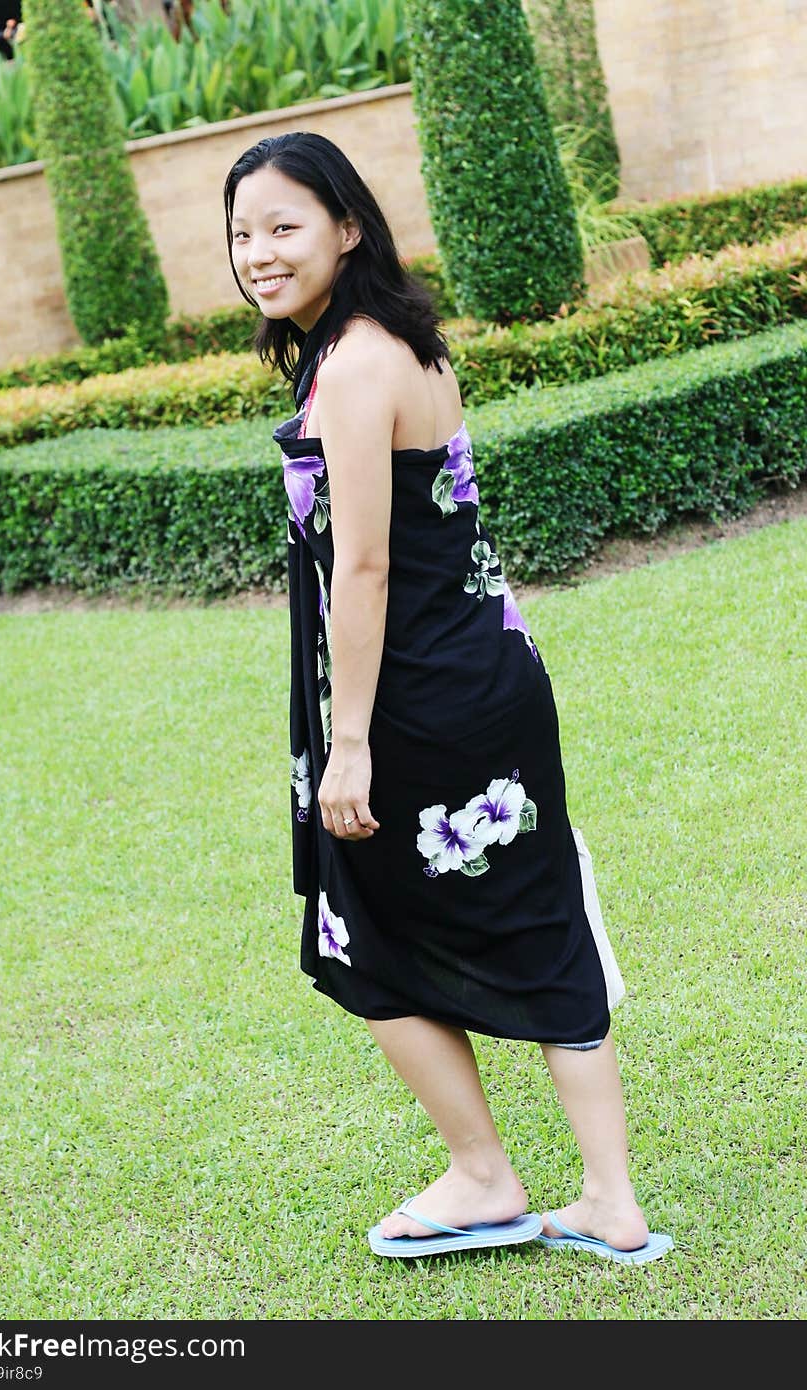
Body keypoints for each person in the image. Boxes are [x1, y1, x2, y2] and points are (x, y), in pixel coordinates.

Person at [223, 131, 672, 1265]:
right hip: (485, 676)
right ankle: (605, 1199)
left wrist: (350, 743)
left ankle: (483, 1174)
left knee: (355, 930)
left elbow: (364, 566)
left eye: (283, 226)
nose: (259, 253)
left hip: (417, 699)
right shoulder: (396, 345)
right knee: (535, 917)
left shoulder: (357, 365)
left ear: (347, 227)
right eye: (241, 234)